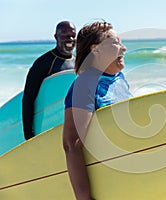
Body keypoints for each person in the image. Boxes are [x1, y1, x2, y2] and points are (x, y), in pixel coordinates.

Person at [63, 21, 131, 200]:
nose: (123, 49)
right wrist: (84, 197)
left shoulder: (119, 79)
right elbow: (71, 144)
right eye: (116, 43)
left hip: (125, 175)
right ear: (96, 49)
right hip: (105, 182)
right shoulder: (85, 85)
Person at [22, 21, 76, 140]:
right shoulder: (44, 63)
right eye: (64, 35)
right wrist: (29, 135)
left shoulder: (78, 62)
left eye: (73, 35)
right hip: (48, 125)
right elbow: (28, 98)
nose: (70, 38)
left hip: (67, 124)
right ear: (56, 37)